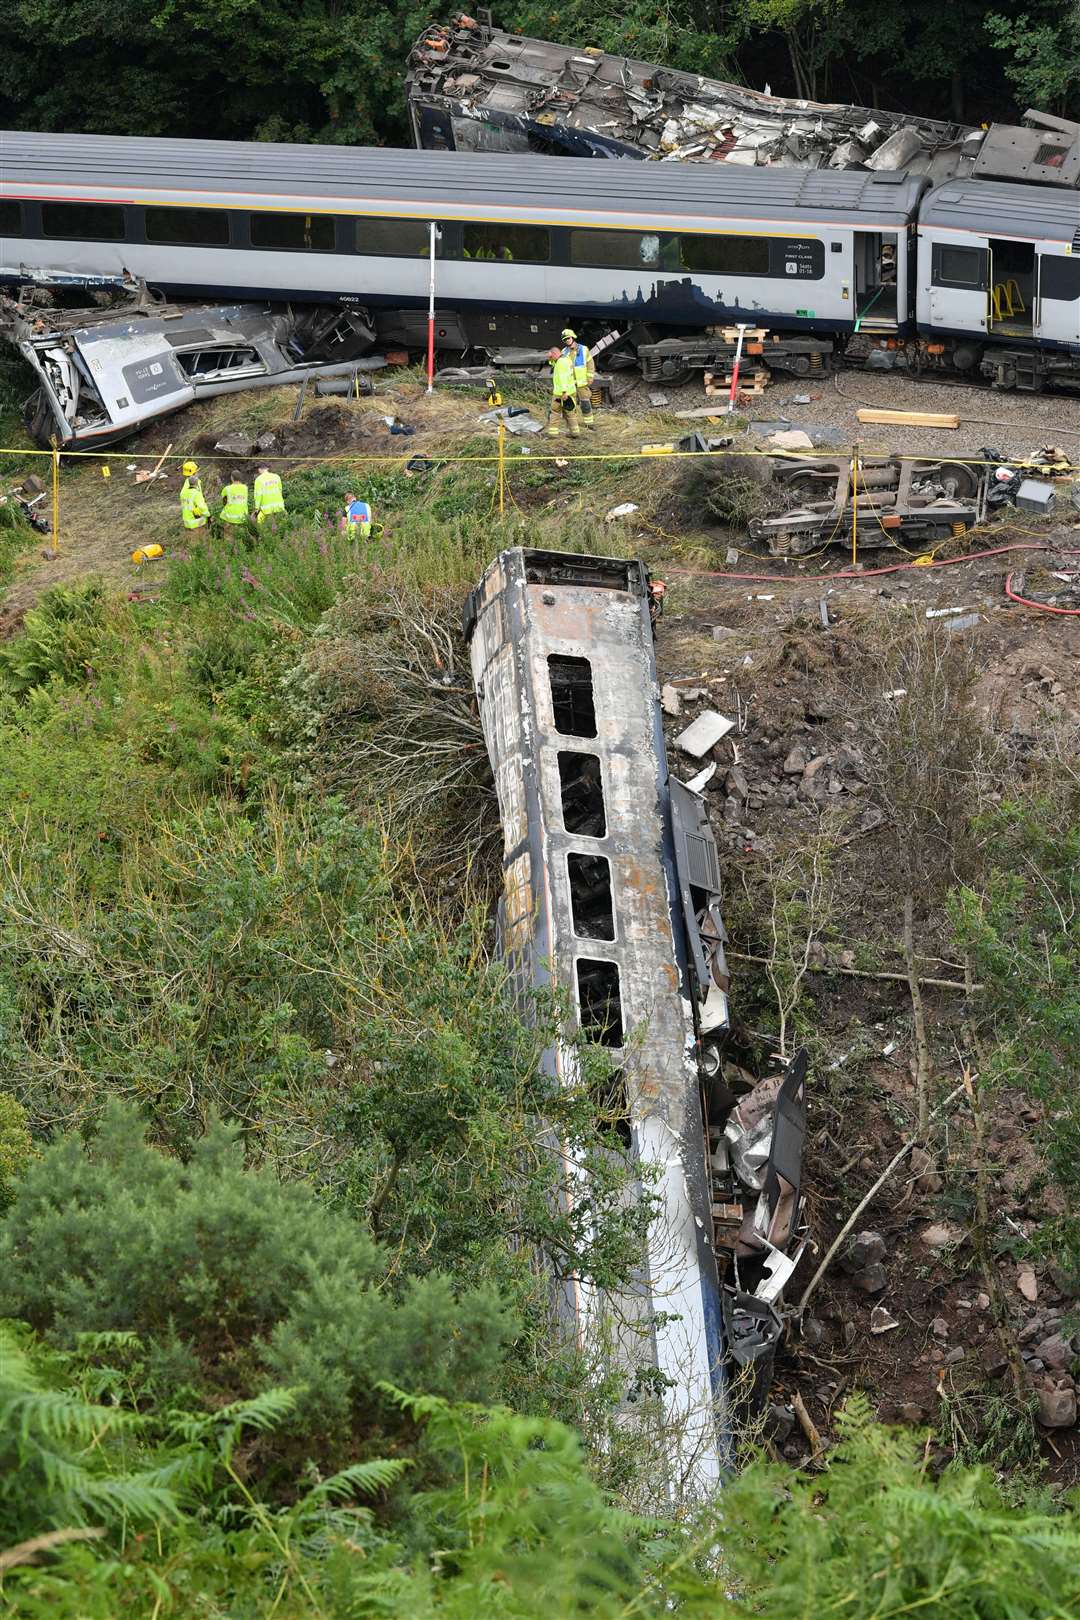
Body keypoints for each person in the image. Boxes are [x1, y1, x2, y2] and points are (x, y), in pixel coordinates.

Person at [561, 327, 597, 430]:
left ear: (572, 337)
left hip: (582, 383)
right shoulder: (564, 351)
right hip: (570, 384)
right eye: (565, 339)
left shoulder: (583, 349)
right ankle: (573, 425)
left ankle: (589, 424)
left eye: (568, 338)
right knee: (571, 406)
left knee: (585, 404)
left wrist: (590, 377)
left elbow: (590, 363)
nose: (567, 340)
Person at [546, 346, 579, 438]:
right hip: (571, 391)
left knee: (555, 412)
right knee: (570, 412)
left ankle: (553, 434)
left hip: (561, 393)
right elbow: (553, 364)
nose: (550, 358)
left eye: (551, 356)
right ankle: (575, 433)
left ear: (555, 354)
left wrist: (564, 392)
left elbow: (563, 377)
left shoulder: (560, 363)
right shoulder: (566, 359)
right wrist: (550, 358)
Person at [179, 460, 210, 532]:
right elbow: (199, 502)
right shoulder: (195, 483)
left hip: (187, 519)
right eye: (197, 470)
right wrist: (208, 515)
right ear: (194, 472)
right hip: (196, 520)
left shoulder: (186, 484)